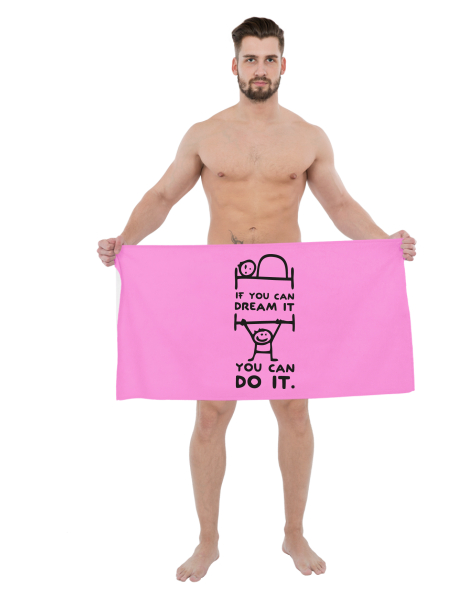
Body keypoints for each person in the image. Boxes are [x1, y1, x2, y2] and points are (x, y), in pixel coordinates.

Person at [97, 16, 417, 582]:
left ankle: (294, 534)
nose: (260, 69)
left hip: (285, 289)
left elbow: (340, 205)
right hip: (219, 290)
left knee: (293, 411)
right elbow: (163, 195)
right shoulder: (205, 134)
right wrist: (125, 240)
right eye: (251, 59)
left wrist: (384, 243)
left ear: (283, 65)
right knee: (210, 415)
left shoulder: (308, 137)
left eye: (270, 59)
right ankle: (208, 541)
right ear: (235, 65)